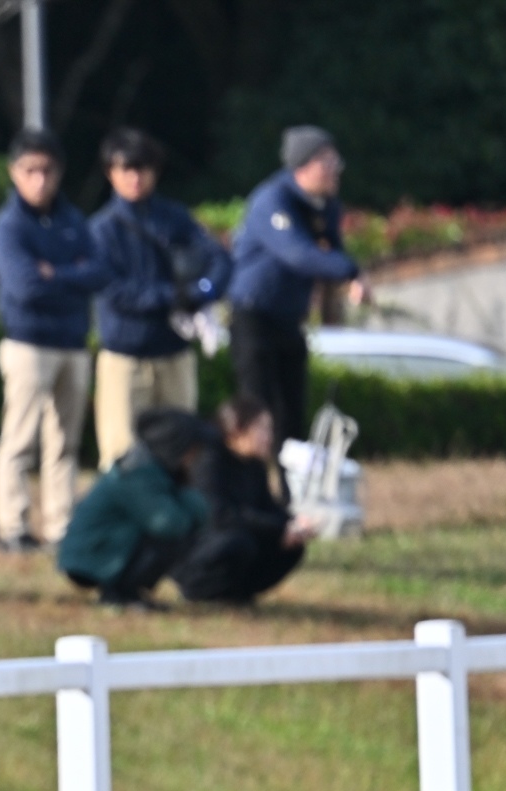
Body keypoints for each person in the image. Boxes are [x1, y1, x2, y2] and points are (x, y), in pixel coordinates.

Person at [0, 130, 111, 550]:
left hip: (73, 341)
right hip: (28, 342)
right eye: (30, 171)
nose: (39, 180)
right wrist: (71, 275)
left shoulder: (74, 221)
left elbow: (100, 272)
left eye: (47, 171)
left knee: (65, 441)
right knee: (20, 437)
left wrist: (54, 274)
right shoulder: (8, 226)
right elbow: (25, 286)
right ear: (14, 172)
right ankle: (13, 525)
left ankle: (61, 525)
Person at [89, 127, 232, 466]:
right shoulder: (101, 229)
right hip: (126, 357)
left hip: (174, 352)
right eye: (127, 169)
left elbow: (219, 259)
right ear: (110, 173)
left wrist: (202, 292)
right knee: (122, 455)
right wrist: (173, 297)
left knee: (183, 452)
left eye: (143, 168)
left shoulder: (175, 218)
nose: (135, 177)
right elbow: (114, 290)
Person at [230, 125, 365, 446]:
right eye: (327, 162)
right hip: (254, 315)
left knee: (292, 411)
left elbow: (333, 250)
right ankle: (252, 473)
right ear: (303, 166)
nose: (335, 170)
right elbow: (298, 253)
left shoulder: (326, 205)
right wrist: (350, 271)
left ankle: (290, 476)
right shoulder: (272, 200)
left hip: (290, 317)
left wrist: (351, 274)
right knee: (258, 406)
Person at [55, 407, 215, 609]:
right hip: (89, 558)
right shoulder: (138, 472)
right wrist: (188, 494)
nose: (196, 457)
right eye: (193, 449)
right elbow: (168, 523)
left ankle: (127, 591)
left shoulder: (151, 466)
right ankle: (119, 594)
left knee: (183, 529)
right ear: (176, 447)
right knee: (174, 534)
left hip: (101, 549)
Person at [173, 394, 314, 605]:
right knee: (239, 543)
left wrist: (293, 524)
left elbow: (267, 505)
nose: (269, 437)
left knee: (291, 548)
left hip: (233, 535)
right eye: (262, 429)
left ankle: (237, 592)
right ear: (238, 430)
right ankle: (200, 590)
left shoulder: (254, 464)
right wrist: (278, 528)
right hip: (197, 549)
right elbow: (220, 516)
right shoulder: (209, 461)